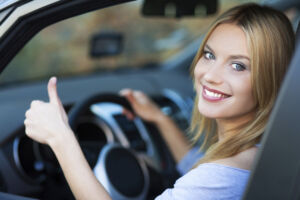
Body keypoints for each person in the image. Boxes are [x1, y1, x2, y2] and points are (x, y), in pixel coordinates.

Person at [24, 3, 295, 200]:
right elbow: (200, 167)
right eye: (210, 55)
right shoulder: (260, 154)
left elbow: (211, 177)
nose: (209, 76)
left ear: (270, 78)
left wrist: (62, 139)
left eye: (238, 66)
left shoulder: (225, 176)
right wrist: (160, 119)